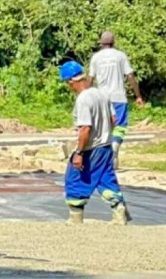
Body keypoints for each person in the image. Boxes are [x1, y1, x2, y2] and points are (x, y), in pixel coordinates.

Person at [59, 61, 129, 225]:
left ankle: (75, 218)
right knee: (106, 179)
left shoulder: (83, 99)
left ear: (70, 81)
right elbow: (113, 119)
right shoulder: (101, 94)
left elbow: (85, 129)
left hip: (91, 148)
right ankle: (119, 214)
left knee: (75, 178)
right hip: (106, 146)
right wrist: (105, 133)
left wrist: (79, 153)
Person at [87, 32, 143, 169]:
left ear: (101, 43)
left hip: (102, 98)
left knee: (103, 127)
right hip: (118, 97)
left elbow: (90, 79)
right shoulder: (120, 56)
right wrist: (138, 96)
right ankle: (115, 148)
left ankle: (102, 159)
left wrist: (86, 96)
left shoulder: (96, 58)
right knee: (119, 126)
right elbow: (130, 76)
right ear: (113, 42)